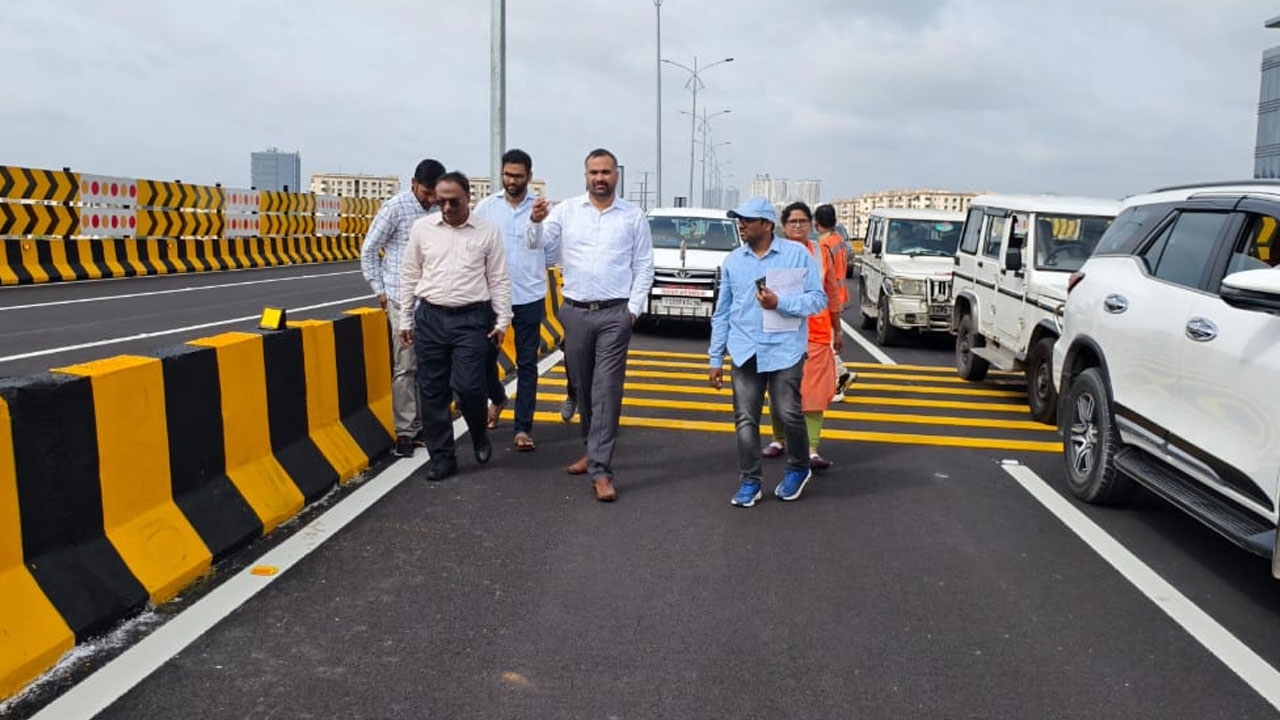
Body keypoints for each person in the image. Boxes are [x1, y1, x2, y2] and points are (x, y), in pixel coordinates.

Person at [527, 148, 654, 502]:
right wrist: (534, 222)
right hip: (576, 312)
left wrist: (633, 310)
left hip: (615, 314)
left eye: (606, 172)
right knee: (582, 387)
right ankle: (591, 448)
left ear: (616, 176)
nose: (600, 178)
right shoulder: (566, 211)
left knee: (606, 389)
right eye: (594, 172)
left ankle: (601, 470)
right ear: (586, 176)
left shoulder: (632, 216)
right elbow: (536, 245)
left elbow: (644, 265)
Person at [709, 197, 826, 507]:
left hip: (784, 350)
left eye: (747, 220)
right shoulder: (733, 261)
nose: (741, 225)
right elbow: (722, 312)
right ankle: (751, 481)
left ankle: (799, 467)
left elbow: (818, 299)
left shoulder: (796, 255)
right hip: (745, 350)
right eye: (739, 219)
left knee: (789, 413)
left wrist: (780, 303)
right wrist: (715, 358)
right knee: (745, 419)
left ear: (766, 224)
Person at [397, 172, 512, 481]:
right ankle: (443, 458)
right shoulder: (422, 229)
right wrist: (405, 319)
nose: (447, 207)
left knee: (470, 387)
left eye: (454, 202)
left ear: (468, 199)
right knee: (433, 392)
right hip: (430, 317)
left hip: (472, 320)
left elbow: (499, 279)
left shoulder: (487, 232)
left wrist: (502, 320)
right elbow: (409, 274)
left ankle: (478, 433)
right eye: (441, 201)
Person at [360, 158, 446, 457]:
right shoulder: (395, 208)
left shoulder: (441, 209)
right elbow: (370, 249)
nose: (430, 199)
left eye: (434, 193)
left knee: (431, 366)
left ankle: (426, 425)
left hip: (433, 301)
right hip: (401, 300)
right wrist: (380, 290)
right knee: (406, 366)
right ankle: (406, 431)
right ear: (413, 183)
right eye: (426, 192)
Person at [474, 149, 552, 451]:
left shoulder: (542, 209)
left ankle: (522, 429)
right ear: (501, 173)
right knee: (483, 358)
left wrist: (535, 223)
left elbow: (549, 251)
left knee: (527, 363)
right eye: (508, 175)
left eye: (518, 176)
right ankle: (497, 397)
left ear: (528, 177)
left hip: (529, 296)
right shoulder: (486, 208)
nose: (512, 181)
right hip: (492, 298)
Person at [761, 202, 842, 469]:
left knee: (813, 393)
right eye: (793, 221)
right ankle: (779, 439)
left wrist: (838, 330)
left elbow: (832, 293)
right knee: (780, 389)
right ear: (783, 226)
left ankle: (811, 449)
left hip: (816, 332)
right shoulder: (770, 252)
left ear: (812, 224)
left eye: (803, 221)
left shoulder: (821, 252)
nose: (798, 226)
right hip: (780, 330)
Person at [814, 203, 853, 399]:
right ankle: (841, 372)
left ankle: (839, 377)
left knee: (825, 341)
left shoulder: (824, 246)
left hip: (828, 298)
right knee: (828, 338)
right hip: (839, 295)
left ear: (816, 223)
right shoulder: (839, 240)